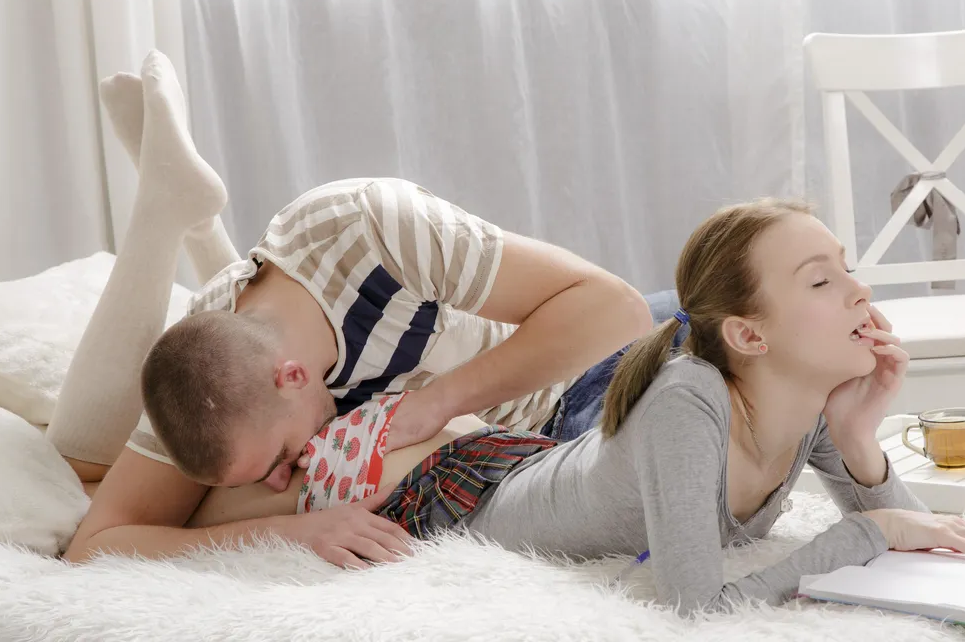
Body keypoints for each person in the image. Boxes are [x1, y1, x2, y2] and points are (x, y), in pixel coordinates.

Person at [187, 195, 965, 615]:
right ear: (748, 335)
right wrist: (865, 531)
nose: (861, 292)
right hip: (450, 489)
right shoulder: (690, 399)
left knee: (299, 463)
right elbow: (695, 605)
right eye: (823, 281)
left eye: (847, 269)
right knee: (280, 485)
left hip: (516, 453)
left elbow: (909, 528)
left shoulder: (803, 402)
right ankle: (193, 242)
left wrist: (860, 440)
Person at [55, 51, 653, 564]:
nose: (280, 480)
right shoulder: (209, 362)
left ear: (291, 375)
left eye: (280, 458)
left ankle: (183, 213)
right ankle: (183, 216)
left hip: (575, 387)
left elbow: (617, 310)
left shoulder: (376, 230)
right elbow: (94, 545)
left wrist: (436, 404)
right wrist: (292, 530)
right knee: (93, 462)